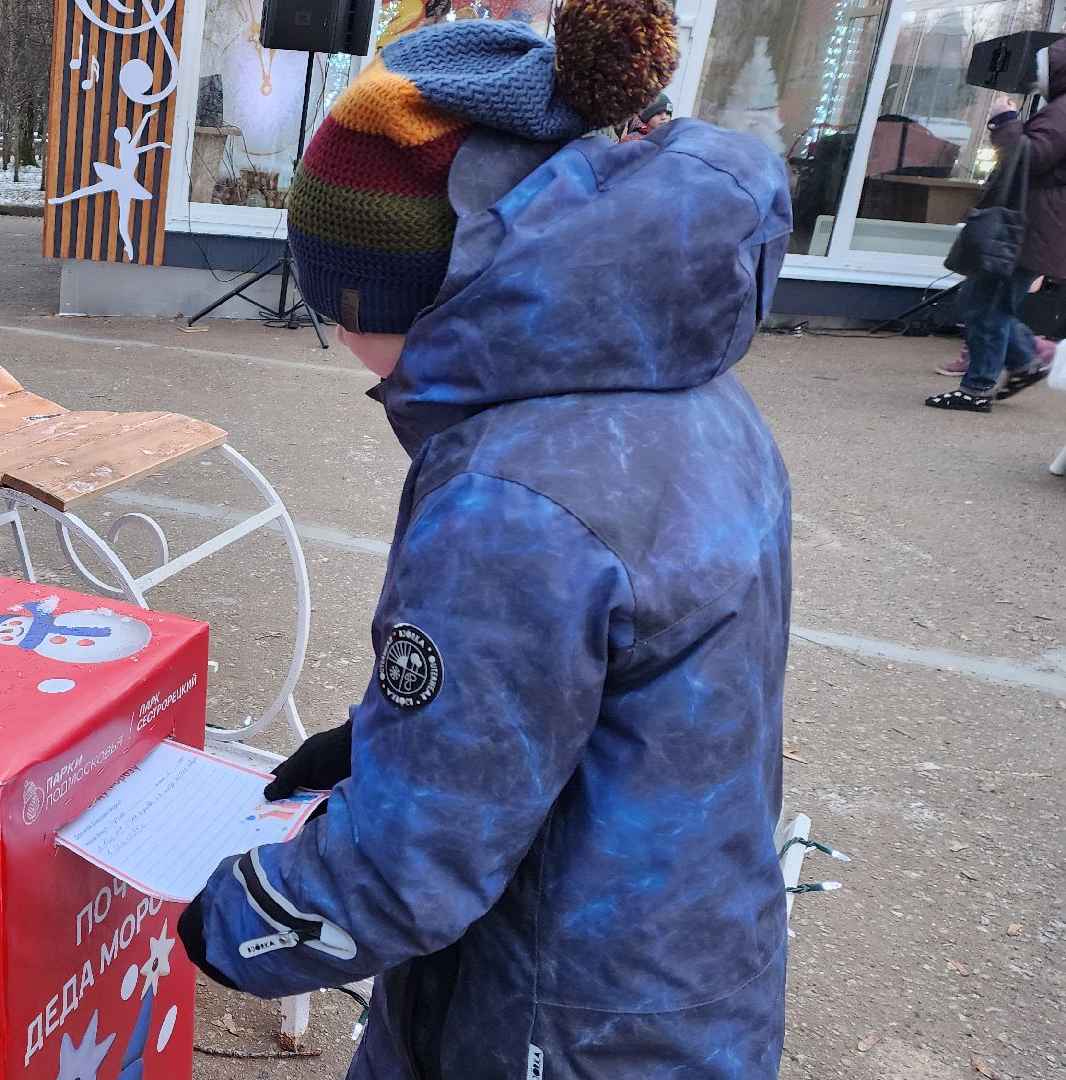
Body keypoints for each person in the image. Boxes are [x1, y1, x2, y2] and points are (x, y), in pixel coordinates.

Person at [175, 4, 798, 1078]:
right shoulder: (682, 393)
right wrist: (384, 739)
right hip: (678, 967)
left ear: (430, 284)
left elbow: (412, 866)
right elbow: (594, 674)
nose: (338, 336)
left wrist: (231, 920)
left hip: (539, 1016)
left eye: (342, 305)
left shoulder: (509, 494)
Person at [927, 66, 1066, 412]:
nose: (1035, 75)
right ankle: (1026, 360)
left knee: (987, 305)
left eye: (1041, 66)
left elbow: (1025, 159)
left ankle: (977, 389)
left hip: (1027, 226)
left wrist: (1004, 120)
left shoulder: (1063, 111)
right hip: (1033, 225)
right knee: (980, 300)